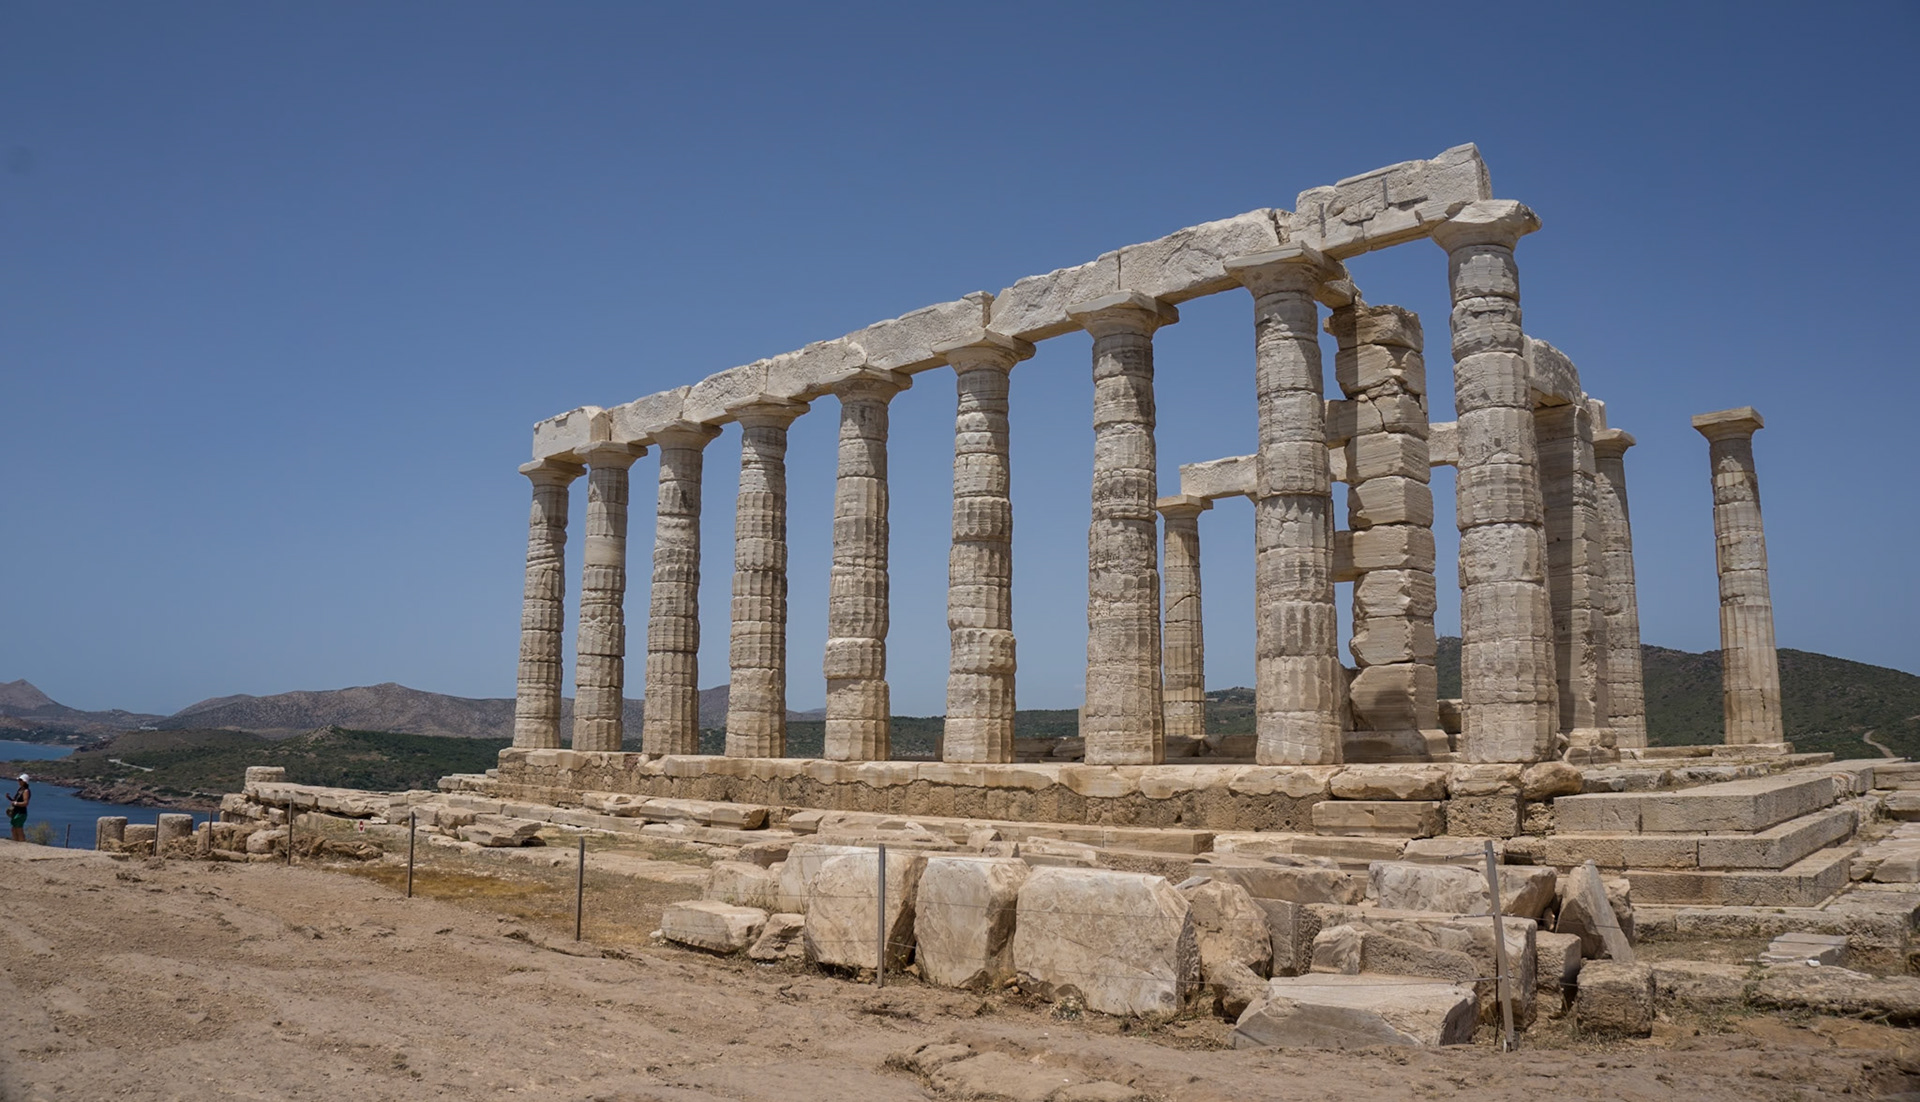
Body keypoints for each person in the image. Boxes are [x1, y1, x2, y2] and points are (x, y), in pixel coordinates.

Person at [7, 774, 29, 842]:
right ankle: (16, 843)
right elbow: (15, 800)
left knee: (19, 829)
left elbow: (25, 803)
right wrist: (9, 798)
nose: (18, 781)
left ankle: (22, 843)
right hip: (16, 812)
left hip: (21, 813)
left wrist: (16, 803)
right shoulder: (20, 790)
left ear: (24, 781)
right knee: (14, 828)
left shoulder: (26, 791)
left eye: (20, 780)